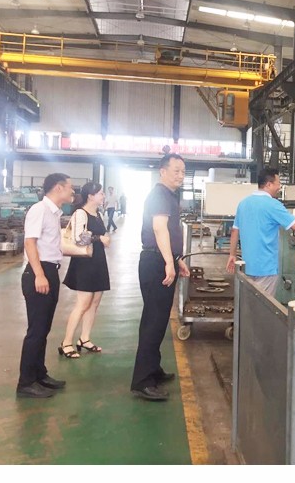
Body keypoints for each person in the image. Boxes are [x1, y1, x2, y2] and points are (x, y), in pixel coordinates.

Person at [131, 153, 191, 402]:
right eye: (176, 170)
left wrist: (176, 259)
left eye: (183, 171)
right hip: (155, 263)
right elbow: (159, 228)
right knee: (153, 322)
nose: (181, 175)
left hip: (161, 260)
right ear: (162, 171)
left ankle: (153, 369)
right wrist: (168, 262)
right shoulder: (159, 195)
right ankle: (142, 381)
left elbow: (168, 233)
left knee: (158, 320)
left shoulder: (168, 195)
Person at [226, 167, 295, 296]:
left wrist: (232, 254)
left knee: (248, 303)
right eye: (278, 183)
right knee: (263, 305)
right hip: (266, 268)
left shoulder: (243, 203)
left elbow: (235, 231)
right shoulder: (273, 205)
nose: (279, 187)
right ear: (269, 184)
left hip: (247, 266)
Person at [16, 172, 75, 398]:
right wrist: (39, 275)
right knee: (36, 330)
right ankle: (26, 382)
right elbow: (29, 243)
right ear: (58, 188)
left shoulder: (54, 213)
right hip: (38, 272)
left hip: (50, 271)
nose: (72, 191)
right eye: (70, 187)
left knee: (44, 329)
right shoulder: (39, 210)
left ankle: (39, 374)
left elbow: (51, 245)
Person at [58, 182, 112, 359]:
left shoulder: (98, 214)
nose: (103, 196)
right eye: (100, 193)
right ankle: (66, 342)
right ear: (90, 196)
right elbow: (78, 238)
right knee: (83, 303)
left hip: (98, 260)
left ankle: (84, 338)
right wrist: (99, 238)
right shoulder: (80, 213)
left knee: (95, 301)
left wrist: (103, 239)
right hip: (85, 262)